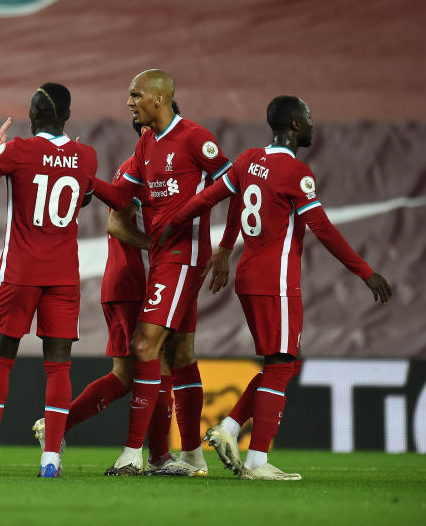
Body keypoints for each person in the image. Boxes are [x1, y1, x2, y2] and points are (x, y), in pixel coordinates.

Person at [157, 95, 393, 480]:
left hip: (250, 277)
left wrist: (175, 222)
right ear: (295, 125)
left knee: (277, 363)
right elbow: (324, 230)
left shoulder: (250, 159)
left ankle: (229, 430)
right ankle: (256, 460)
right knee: (282, 365)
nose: (314, 124)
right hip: (277, 280)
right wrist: (366, 272)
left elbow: (213, 196)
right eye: (309, 117)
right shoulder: (296, 173)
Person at [33, 103, 197, 476]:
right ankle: (156, 456)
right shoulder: (136, 168)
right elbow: (115, 224)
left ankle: (59, 428)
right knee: (157, 360)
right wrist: (156, 248)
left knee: (127, 374)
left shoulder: (163, 170)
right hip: (132, 282)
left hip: (132, 282)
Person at [0, 83, 98, 479]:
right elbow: (80, 198)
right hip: (64, 277)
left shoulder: (18, 151)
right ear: (66, 117)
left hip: (19, 272)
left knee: (1, 360)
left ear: (33, 117)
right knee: (59, 368)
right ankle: (51, 459)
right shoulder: (87, 156)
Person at [93, 69, 232, 476]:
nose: (129, 102)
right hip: (165, 258)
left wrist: (223, 247)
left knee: (143, 345)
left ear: (157, 98)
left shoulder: (194, 137)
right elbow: (120, 197)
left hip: (184, 256)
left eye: (135, 95)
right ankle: (190, 453)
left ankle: (133, 454)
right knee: (182, 352)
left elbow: (232, 182)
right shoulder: (146, 143)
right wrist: (85, 179)